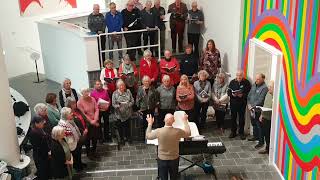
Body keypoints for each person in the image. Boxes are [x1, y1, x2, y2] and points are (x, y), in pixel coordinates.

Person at [146, 113, 191, 180]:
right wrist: (185, 121)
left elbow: (148, 136)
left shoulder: (159, 131)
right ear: (174, 121)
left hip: (162, 158)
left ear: (164, 120)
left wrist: (150, 123)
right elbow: (188, 133)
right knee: (174, 177)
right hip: (174, 158)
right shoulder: (177, 131)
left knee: (163, 177)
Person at [227, 70, 251, 139]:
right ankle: (233, 132)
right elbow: (228, 91)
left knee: (241, 118)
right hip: (233, 102)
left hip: (242, 103)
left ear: (243, 75)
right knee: (233, 118)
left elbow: (249, 93)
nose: (239, 77)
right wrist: (232, 95)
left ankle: (241, 132)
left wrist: (242, 95)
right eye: (237, 75)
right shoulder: (232, 82)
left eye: (240, 75)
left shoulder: (246, 82)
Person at [65, 97, 88, 171]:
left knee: (79, 150)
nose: (75, 104)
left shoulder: (77, 110)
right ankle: (77, 166)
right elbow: (74, 125)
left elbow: (84, 118)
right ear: (69, 104)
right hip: (77, 135)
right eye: (73, 103)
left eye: (75, 102)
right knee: (76, 151)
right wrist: (82, 130)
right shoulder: (68, 112)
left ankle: (80, 163)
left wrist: (86, 128)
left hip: (83, 132)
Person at [247, 73, 268, 149]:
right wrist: (249, 104)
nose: (256, 80)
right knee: (254, 124)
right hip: (251, 109)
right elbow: (249, 95)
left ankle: (261, 142)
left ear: (263, 79)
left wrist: (252, 106)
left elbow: (261, 100)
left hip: (258, 110)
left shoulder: (265, 88)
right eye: (256, 79)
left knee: (259, 126)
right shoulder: (254, 85)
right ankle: (255, 137)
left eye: (258, 79)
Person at [77, 88, 100, 157]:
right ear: (82, 93)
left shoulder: (92, 99)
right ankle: (88, 153)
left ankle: (94, 151)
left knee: (95, 138)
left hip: (94, 120)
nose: (87, 93)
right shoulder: (79, 102)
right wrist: (91, 121)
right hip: (87, 123)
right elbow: (83, 114)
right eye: (85, 92)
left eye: (87, 91)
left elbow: (96, 109)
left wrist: (95, 119)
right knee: (88, 139)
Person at [112, 80, 135, 144]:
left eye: (123, 85)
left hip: (127, 113)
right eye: (120, 86)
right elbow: (113, 104)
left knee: (127, 127)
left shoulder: (128, 91)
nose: (122, 87)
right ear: (117, 86)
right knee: (120, 127)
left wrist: (128, 105)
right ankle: (122, 139)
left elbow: (132, 101)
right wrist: (118, 106)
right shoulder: (115, 93)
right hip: (119, 114)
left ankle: (128, 138)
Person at [259, 81, 274, 154]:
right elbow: (264, 104)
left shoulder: (276, 96)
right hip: (265, 117)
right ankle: (267, 148)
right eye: (269, 86)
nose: (269, 88)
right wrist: (261, 114)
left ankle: (270, 151)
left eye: (271, 87)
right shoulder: (268, 93)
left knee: (270, 135)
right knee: (266, 134)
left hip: (271, 119)